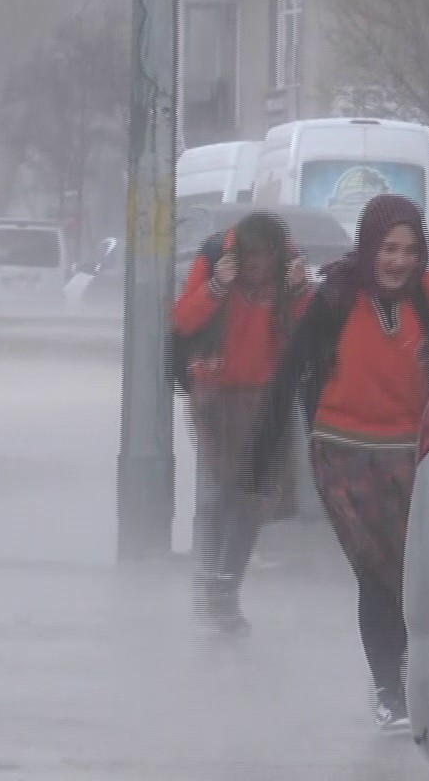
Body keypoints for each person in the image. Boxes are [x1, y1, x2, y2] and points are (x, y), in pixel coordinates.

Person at [258, 194, 429, 733]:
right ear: (368, 247)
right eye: (388, 248)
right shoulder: (335, 296)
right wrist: (264, 456)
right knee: (376, 571)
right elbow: (289, 370)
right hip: (342, 455)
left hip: (410, 455)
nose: (398, 260)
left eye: (409, 248)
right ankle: (388, 691)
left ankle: (417, 678)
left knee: (413, 570)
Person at [171, 210, 310, 635]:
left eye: (263, 262)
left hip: (265, 397)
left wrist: (301, 290)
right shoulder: (214, 258)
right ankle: (212, 576)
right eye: (248, 261)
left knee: (254, 498)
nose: (255, 270)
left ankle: (226, 584)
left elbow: (308, 332)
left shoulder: (290, 272)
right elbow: (182, 320)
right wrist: (216, 286)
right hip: (214, 395)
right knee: (223, 489)